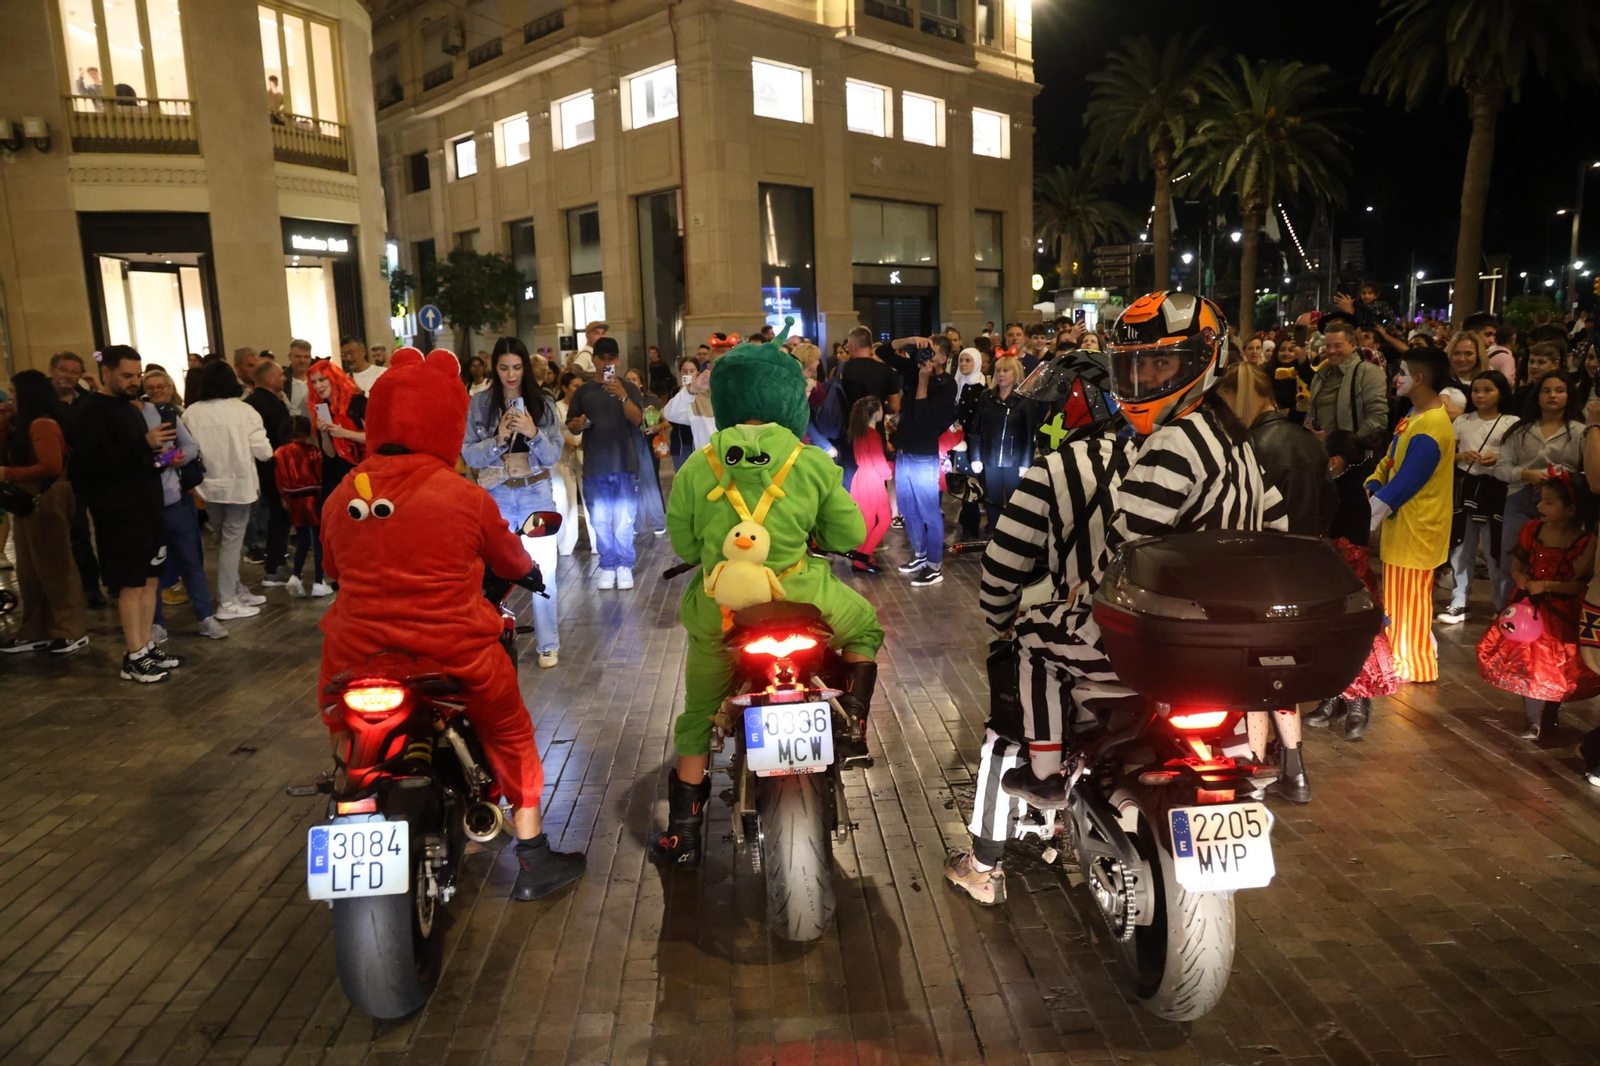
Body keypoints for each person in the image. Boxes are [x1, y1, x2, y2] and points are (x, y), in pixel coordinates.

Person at [319, 347, 586, 901]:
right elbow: (513, 562)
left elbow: (331, 568)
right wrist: (525, 574)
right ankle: (532, 857)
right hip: (455, 653)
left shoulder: (343, 494)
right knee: (510, 734)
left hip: (354, 657)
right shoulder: (461, 495)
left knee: (347, 736)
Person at [649, 330, 884, 867]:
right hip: (806, 601)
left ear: (729, 400)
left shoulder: (698, 465)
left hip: (723, 612)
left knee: (700, 711)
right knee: (866, 627)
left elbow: (684, 544)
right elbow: (848, 534)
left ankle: (683, 834)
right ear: (789, 400)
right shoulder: (810, 461)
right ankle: (853, 714)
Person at [73, 346, 179, 682]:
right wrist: (143, 445)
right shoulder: (91, 410)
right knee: (131, 584)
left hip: (147, 507)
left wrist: (162, 458)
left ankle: (146, 646)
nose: (135, 382)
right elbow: (92, 465)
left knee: (150, 581)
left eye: (138, 376)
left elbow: (135, 457)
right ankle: (133, 655)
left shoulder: (129, 408)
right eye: (127, 376)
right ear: (106, 373)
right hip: (118, 513)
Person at [462, 337, 565, 668]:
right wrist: (499, 440)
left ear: (526, 368)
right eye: (504, 367)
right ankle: (489, 640)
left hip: (536, 490)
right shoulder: (480, 404)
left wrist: (532, 432)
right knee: (491, 571)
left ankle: (548, 643)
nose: (510, 375)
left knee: (543, 569)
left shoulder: (544, 404)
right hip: (497, 492)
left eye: (517, 367)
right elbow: (468, 453)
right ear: (495, 367)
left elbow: (552, 455)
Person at [1476, 471, 1600, 741]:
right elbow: (1518, 559)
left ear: (1570, 510)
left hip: (1561, 613)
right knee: (1527, 663)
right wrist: (1520, 577)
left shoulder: (1583, 542)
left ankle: (1550, 714)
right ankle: (1533, 720)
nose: (1539, 507)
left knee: (1557, 667)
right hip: (1527, 610)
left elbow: (1579, 585)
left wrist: (1544, 586)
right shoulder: (1533, 529)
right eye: (1540, 501)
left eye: (1548, 502)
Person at [1365, 348, 1456, 688]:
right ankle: (1406, 657)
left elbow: (1405, 483)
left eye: (1401, 372)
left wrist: (1370, 515)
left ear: (1418, 379)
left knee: (1409, 601)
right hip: (1405, 528)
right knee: (1403, 600)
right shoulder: (1416, 415)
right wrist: (1374, 481)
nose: (1396, 378)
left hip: (1416, 529)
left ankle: (1414, 664)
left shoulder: (1430, 425)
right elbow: (1390, 463)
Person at [1307, 431, 1402, 736]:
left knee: (1356, 643)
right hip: (1332, 580)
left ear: (1334, 461)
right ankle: (1331, 699)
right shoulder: (1339, 487)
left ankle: (1358, 703)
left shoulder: (1344, 494)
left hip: (1350, 583)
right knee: (1330, 641)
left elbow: (1347, 545)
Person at [0, 370, 88, 655]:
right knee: (29, 567)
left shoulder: (43, 425)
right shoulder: (23, 426)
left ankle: (70, 628)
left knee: (55, 564)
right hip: (29, 502)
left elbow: (51, 466)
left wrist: (7, 473)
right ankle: (37, 627)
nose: (10, 398)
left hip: (46, 499)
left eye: (13, 393)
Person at [184, 361, 273, 620]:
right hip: (238, 485)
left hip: (208, 486)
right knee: (232, 543)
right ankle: (227, 601)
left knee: (224, 540)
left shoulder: (191, 412)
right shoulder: (244, 410)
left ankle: (235, 588)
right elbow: (263, 451)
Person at [1493, 371, 1584, 610]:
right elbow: (1501, 468)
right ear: (1538, 395)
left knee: (1560, 560)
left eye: (1559, 391)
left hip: (1563, 504)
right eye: (1546, 390)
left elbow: (1588, 472)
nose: (1552, 395)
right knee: (1512, 556)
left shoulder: (1579, 432)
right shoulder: (1520, 430)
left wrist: (1562, 476)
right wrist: (1526, 474)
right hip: (1521, 496)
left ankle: (1549, 615)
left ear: (1569, 396)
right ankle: (1505, 611)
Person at [565, 337, 645, 589]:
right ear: (595, 359)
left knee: (624, 520)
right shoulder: (584, 391)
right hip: (594, 464)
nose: (607, 363)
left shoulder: (628, 388)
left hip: (624, 461)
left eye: (612, 358)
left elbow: (637, 419)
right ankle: (608, 565)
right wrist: (577, 425)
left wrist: (622, 396)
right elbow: (572, 423)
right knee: (599, 519)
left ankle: (624, 565)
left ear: (618, 360)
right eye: (602, 358)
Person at [1439, 370, 1515, 625]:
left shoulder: (1511, 422)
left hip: (1496, 489)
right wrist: (1461, 456)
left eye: (1488, 390)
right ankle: (1459, 601)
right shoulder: (1463, 420)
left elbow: (1515, 457)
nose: (1480, 395)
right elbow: (1447, 454)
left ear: (1501, 392)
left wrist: (1498, 458)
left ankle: (1501, 604)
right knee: (1462, 547)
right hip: (1467, 486)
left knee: (1496, 549)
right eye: (1476, 390)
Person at [883, 335, 958, 586]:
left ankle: (934, 566)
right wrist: (909, 340)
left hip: (924, 455)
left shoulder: (947, 384)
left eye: (932, 352)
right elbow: (883, 351)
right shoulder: (914, 368)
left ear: (944, 358)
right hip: (905, 450)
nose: (925, 357)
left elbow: (923, 415)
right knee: (907, 507)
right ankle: (920, 554)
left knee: (929, 512)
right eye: (925, 351)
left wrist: (924, 379)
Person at [967, 355, 1039, 537]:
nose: (1001, 374)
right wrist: (975, 457)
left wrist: (1025, 463)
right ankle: (994, 531)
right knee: (992, 499)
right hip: (990, 458)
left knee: (1016, 499)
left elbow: (1030, 434)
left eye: (1006, 370)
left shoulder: (1025, 399)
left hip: (1015, 460)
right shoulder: (986, 397)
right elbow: (976, 429)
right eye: (998, 370)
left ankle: (1014, 534)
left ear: (1016, 374)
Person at [245, 358, 293, 586]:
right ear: (270, 379)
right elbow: (285, 440)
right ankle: (274, 567)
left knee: (265, 515)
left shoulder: (248, 404)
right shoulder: (275, 406)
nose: (284, 378)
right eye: (281, 374)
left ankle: (273, 561)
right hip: (275, 467)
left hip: (253, 469)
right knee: (280, 515)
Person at [274, 416, 329, 597]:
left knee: (302, 539)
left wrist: (284, 497)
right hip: (313, 497)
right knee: (319, 540)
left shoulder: (279, 452)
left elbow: (279, 479)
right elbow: (321, 474)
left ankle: (296, 577)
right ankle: (319, 582)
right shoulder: (312, 450)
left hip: (293, 500)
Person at [1307, 320, 1387, 443]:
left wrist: (1349, 444)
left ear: (1353, 345)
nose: (1331, 351)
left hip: (1351, 453)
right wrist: (1309, 431)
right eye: (1328, 346)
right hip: (1319, 451)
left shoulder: (1369, 373)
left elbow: (1378, 418)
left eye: (1337, 346)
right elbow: (1310, 413)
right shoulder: (1320, 375)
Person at [307, 359, 367, 499]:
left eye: (322, 380)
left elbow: (374, 438)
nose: (318, 386)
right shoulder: (322, 409)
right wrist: (324, 433)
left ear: (333, 378)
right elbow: (331, 454)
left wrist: (345, 433)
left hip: (361, 470)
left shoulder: (357, 402)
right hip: (337, 475)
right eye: (314, 382)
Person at [848, 397, 893, 572]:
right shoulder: (873, 435)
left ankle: (861, 557)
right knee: (884, 519)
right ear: (875, 413)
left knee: (867, 520)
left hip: (861, 479)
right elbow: (880, 466)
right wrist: (891, 469)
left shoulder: (859, 432)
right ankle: (863, 558)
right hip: (873, 481)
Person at [284, 339, 314, 420]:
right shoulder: (282, 381)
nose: (302, 360)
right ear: (290, 357)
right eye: (298, 356)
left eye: (306, 357)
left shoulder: (318, 380)